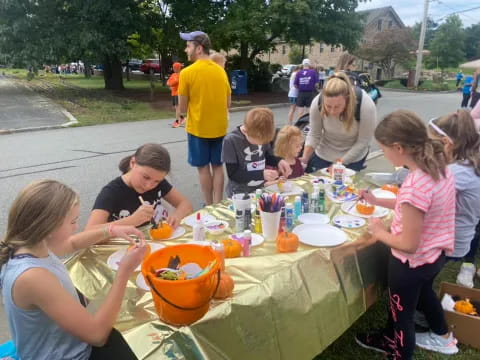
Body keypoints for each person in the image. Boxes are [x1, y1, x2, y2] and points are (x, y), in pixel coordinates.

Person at [0, 180, 147, 360]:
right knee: (139, 339)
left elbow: (72, 243)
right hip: (72, 355)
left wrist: (112, 230)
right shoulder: (33, 277)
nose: (76, 226)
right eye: (73, 221)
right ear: (48, 227)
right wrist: (124, 270)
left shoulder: (30, 245)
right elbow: (97, 336)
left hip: (68, 343)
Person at [355, 110, 458, 359]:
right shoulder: (438, 168)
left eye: (383, 148)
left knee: (402, 316)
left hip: (410, 263)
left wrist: (379, 232)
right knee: (424, 294)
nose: (385, 153)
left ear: (398, 147)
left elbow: (408, 244)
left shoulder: (415, 185)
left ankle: (399, 351)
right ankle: (441, 334)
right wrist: (377, 199)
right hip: (433, 257)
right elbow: (414, 206)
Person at [427, 111, 480, 288]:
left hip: (449, 240)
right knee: (426, 278)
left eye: (430, 143)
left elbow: (427, 198)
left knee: (422, 281)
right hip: (460, 236)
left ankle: (421, 310)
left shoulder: (457, 173)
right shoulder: (467, 163)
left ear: (446, 144)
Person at [178, 31, 231, 206]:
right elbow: (228, 103)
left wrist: (181, 114)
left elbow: (183, 107)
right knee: (217, 166)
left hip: (198, 128)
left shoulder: (187, 73)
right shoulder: (221, 71)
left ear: (198, 48)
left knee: (203, 168)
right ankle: (217, 203)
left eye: (188, 46)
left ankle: (208, 205)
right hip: (219, 128)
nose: (186, 49)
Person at [86, 143, 192, 230]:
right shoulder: (111, 192)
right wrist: (132, 220)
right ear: (133, 163)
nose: (149, 186)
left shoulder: (158, 182)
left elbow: (185, 204)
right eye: (146, 177)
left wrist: (176, 216)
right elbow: (89, 232)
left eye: (157, 181)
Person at [300, 72, 377, 173]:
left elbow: (363, 141)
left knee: (345, 187)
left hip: (353, 156)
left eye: (337, 106)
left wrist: (339, 164)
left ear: (348, 99)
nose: (332, 111)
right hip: (324, 152)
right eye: (328, 106)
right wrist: (304, 159)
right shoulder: (317, 102)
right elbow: (314, 134)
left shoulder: (365, 105)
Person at [221, 107, 292, 197]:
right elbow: (233, 174)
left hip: (259, 189)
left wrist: (279, 161)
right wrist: (261, 174)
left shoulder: (262, 134)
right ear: (245, 131)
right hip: (239, 193)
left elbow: (266, 155)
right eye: (258, 142)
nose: (262, 144)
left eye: (264, 142)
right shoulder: (231, 141)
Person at [167, 62, 185, 128]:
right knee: (176, 107)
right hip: (173, 93)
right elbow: (168, 82)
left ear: (179, 68)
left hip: (178, 93)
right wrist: (170, 83)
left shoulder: (181, 75)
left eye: (175, 67)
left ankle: (177, 121)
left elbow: (174, 82)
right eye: (173, 67)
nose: (174, 69)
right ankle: (182, 117)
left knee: (177, 107)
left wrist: (171, 83)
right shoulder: (173, 74)